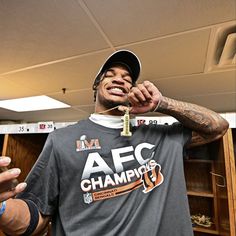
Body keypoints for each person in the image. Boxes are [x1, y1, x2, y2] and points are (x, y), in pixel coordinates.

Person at [0, 50, 229, 236]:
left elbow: (218, 126)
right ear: (96, 86)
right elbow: (34, 217)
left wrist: (162, 103)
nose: (120, 78)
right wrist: (1, 208)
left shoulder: (162, 136)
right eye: (110, 74)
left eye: (128, 79)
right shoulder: (62, 140)